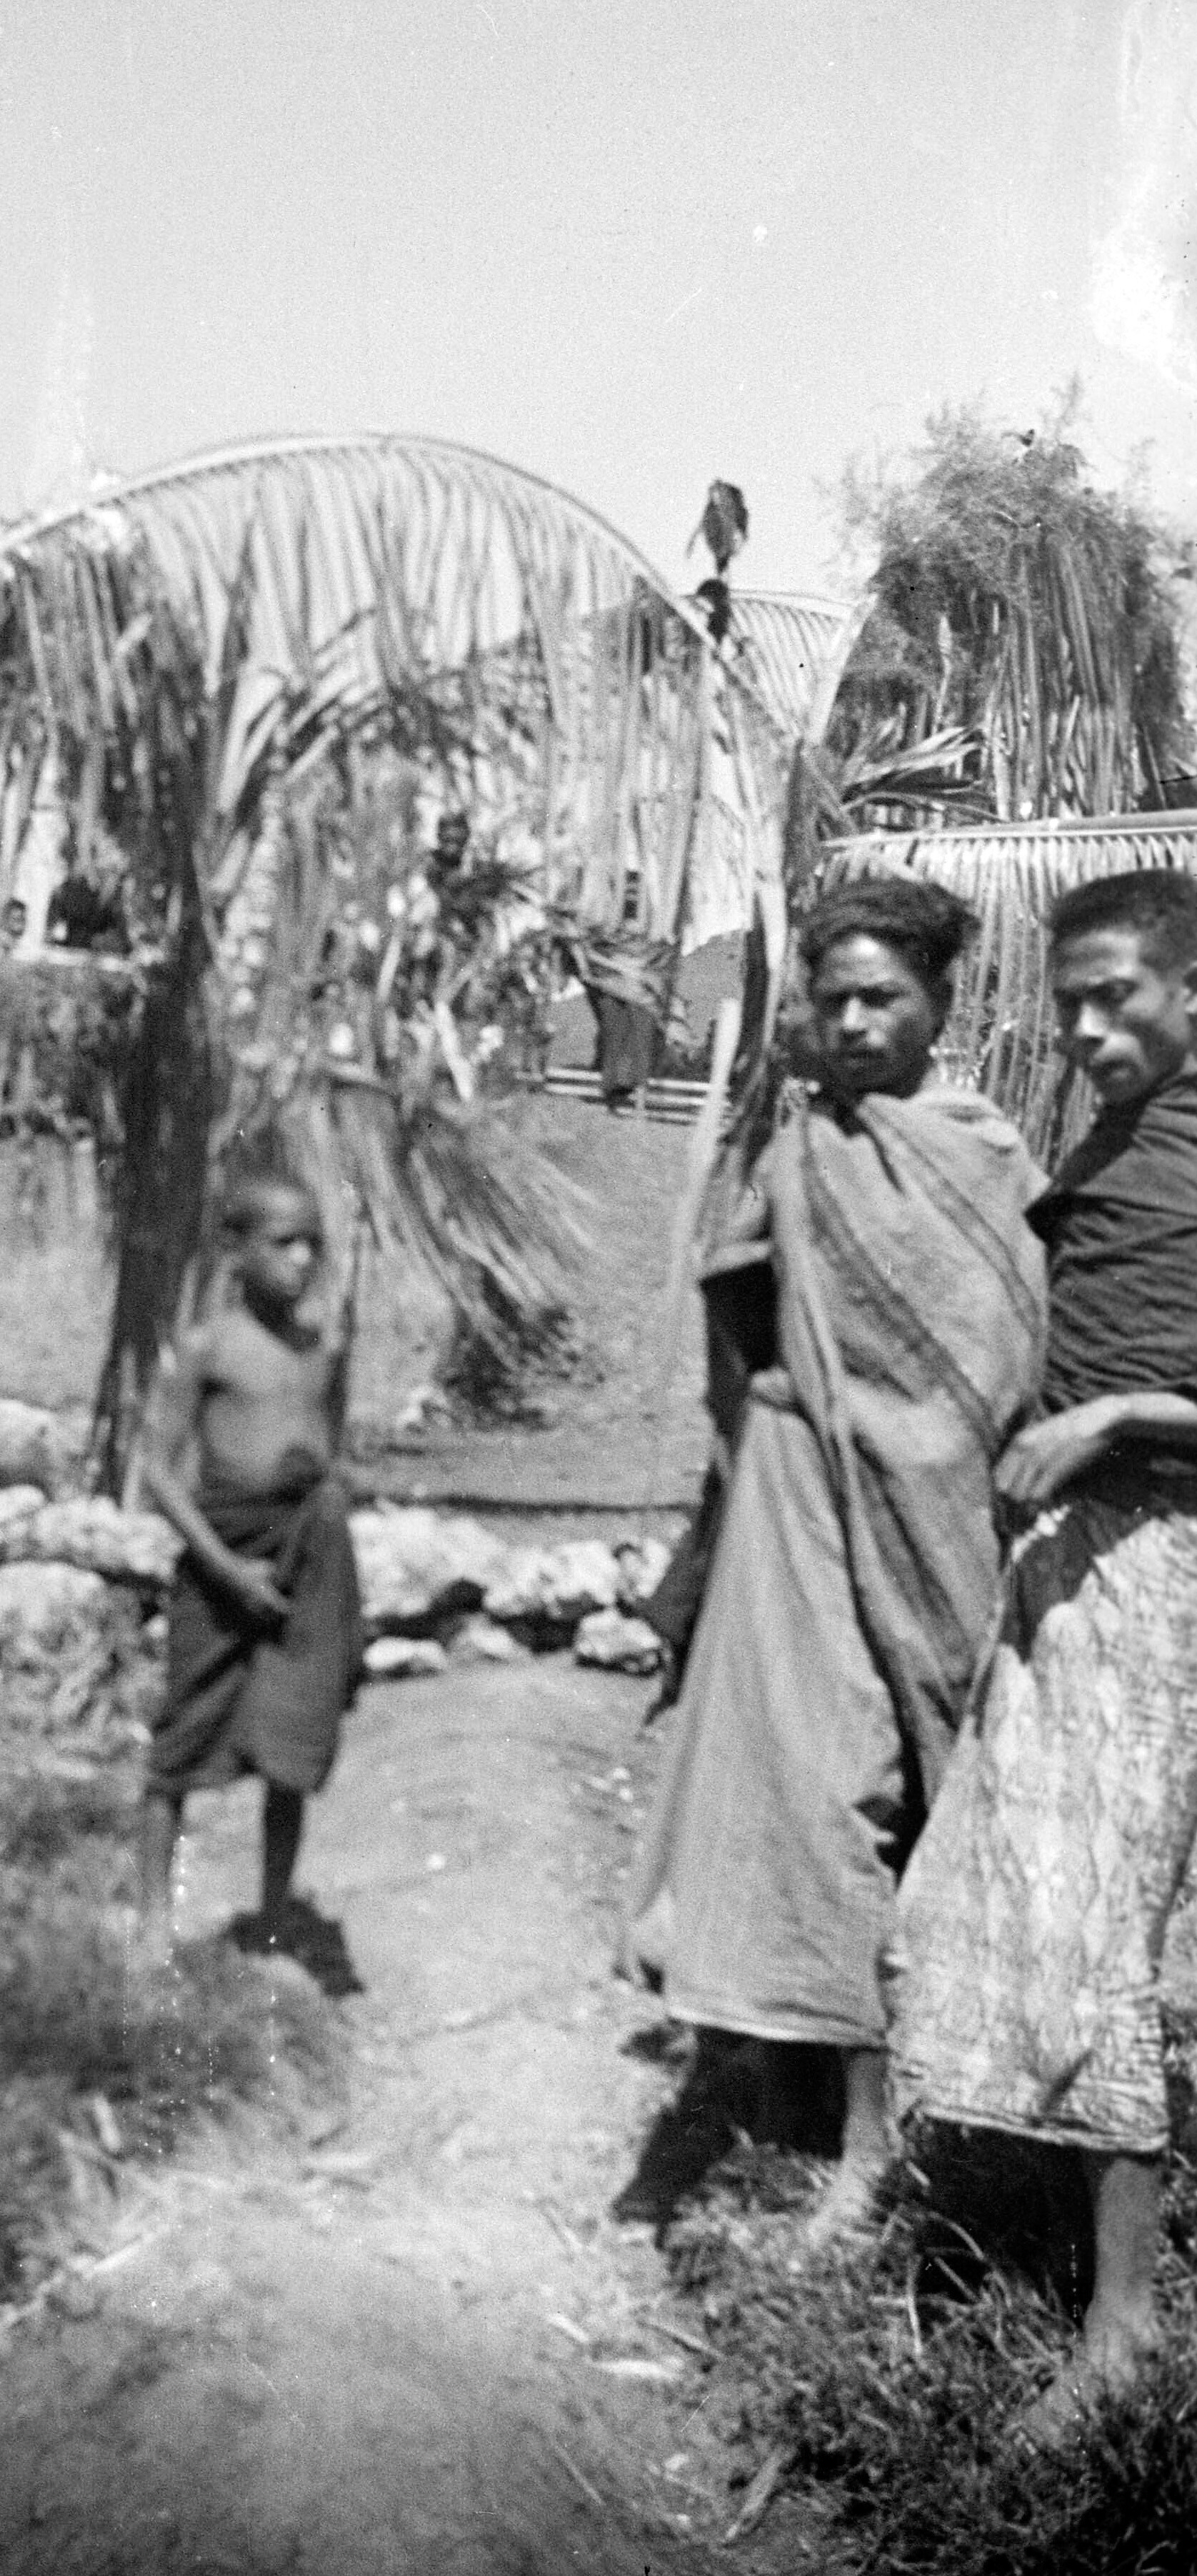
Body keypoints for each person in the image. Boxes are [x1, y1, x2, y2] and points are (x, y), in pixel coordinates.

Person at [623, 875, 1046, 2230]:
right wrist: (770, 1441)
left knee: (930, 1801)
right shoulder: (795, 1155)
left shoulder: (985, 1159)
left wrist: (912, 1448)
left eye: (884, 998)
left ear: (939, 1005)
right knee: (819, 1795)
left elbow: (1001, 1364)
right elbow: (738, 1329)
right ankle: (851, 2134)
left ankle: (935, 2106)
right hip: (801, 1506)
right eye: (835, 999)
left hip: (945, 1528)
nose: (856, 1023)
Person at [891, 867, 1197, 2437]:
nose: (1080, 1028)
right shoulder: (1119, 1141)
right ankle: (1040, 2215)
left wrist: (1121, 1414)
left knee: (1101, 1930)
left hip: (1168, 1567)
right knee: (1052, 1904)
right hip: (1080, 1558)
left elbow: (1137, 1389)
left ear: (1192, 991)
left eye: (1113, 997)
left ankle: (1124, 2326)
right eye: (1066, 1001)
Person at [137, 1169, 365, 1970]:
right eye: (283, 1243)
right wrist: (228, 1569)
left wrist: (323, 1511)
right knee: (179, 1744)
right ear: (236, 1250)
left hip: (301, 1558)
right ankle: (152, 1925)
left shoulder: (321, 1349)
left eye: (313, 1244)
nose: (302, 1260)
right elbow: (159, 1471)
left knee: (292, 1741)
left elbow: (328, 1449)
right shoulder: (207, 1348)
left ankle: (273, 1919)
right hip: (219, 1564)